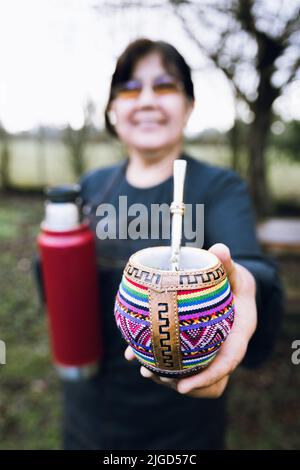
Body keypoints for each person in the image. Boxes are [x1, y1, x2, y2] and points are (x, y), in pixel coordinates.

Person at [36, 38, 283, 450]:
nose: (146, 99)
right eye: (130, 89)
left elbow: (249, 266)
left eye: (165, 86)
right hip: (90, 414)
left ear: (188, 106)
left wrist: (249, 285)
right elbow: (57, 291)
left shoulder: (219, 188)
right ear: (114, 110)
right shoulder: (92, 188)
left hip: (181, 424)